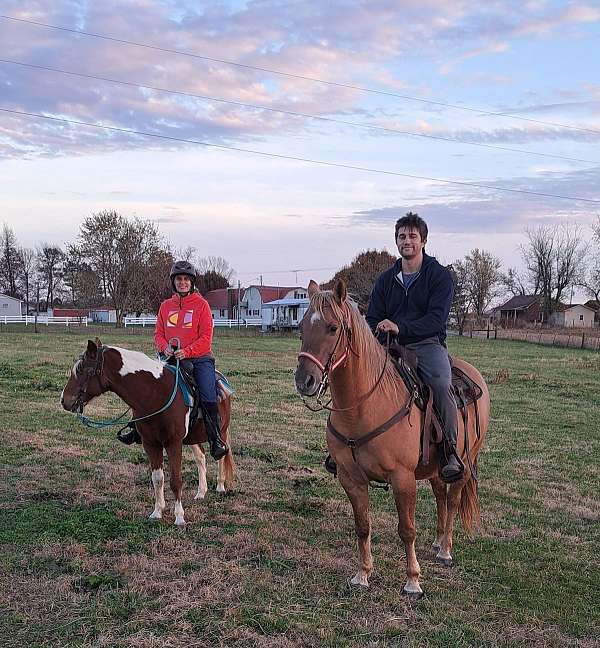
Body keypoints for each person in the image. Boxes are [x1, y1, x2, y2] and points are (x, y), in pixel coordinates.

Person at [365, 211, 462, 482]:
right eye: (401, 236)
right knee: (356, 378)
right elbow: (372, 317)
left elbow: (436, 319)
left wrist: (401, 327)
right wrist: (379, 329)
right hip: (389, 345)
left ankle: (450, 450)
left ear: (423, 241)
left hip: (426, 344)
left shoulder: (439, 276)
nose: (406, 240)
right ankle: (347, 447)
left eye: (412, 236)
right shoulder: (386, 279)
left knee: (442, 385)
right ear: (396, 241)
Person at [118, 260, 228, 460]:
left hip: (199, 359)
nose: (183, 283)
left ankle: (215, 439)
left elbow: (206, 338)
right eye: (179, 279)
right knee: (145, 387)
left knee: (207, 392)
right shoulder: (165, 307)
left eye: (186, 279)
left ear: (192, 282)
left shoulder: (201, 306)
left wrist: (187, 351)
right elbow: (158, 334)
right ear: (173, 282)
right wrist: (164, 347)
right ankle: (136, 429)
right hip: (168, 358)